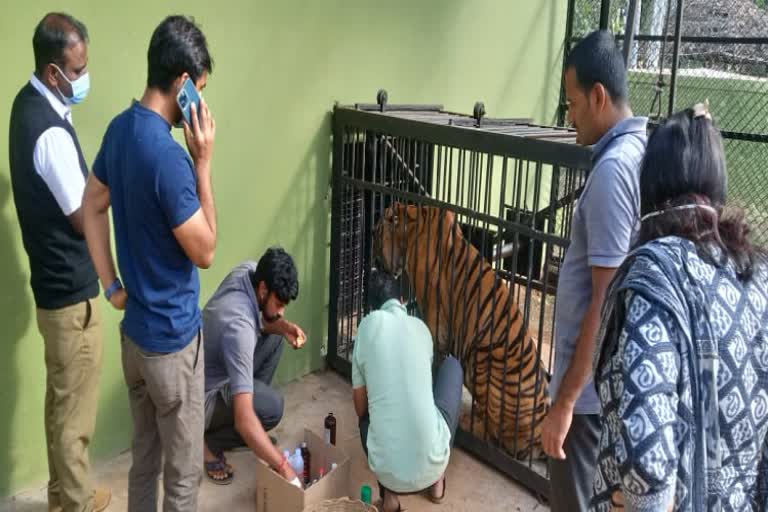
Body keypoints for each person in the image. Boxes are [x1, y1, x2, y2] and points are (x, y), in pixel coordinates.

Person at [592, 105, 768, 511]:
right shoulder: (755, 274)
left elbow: (647, 458)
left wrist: (637, 502)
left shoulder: (657, 276)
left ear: (650, 184)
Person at [81, 15, 216, 512]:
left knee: (144, 461)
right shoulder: (170, 157)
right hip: (172, 349)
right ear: (182, 84)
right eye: (199, 92)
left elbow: (91, 203)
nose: (200, 105)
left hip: (134, 340)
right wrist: (202, 163)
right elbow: (205, 251)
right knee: (182, 478)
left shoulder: (120, 131)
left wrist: (111, 284)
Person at [540, 29, 649, 511]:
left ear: (598, 96)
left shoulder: (611, 172)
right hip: (599, 387)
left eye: (572, 103)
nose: (569, 116)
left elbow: (603, 302)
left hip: (584, 401)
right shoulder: (637, 154)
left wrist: (564, 402)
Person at [8, 12, 110, 512]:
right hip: (71, 302)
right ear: (54, 72)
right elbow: (82, 216)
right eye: (78, 68)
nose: (83, 77)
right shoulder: (46, 130)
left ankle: (65, 499)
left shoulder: (25, 106)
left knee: (60, 412)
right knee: (75, 428)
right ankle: (75, 504)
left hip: (51, 299)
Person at [352, 269, 463, 512]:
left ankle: (390, 499)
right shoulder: (421, 328)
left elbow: (360, 408)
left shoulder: (365, 328)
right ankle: (436, 483)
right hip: (432, 462)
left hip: (387, 470)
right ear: (402, 300)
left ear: (372, 309)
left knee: (367, 418)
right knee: (453, 366)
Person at [201, 248, 306, 486]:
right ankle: (208, 443)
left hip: (212, 366)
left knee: (276, 335)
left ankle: (251, 427)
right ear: (262, 290)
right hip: (201, 400)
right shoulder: (239, 328)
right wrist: (285, 468)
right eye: (279, 303)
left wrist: (283, 327)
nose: (281, 312)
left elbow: (264, 320)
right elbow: (243, 419)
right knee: (271, 408)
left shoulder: (248, 270)